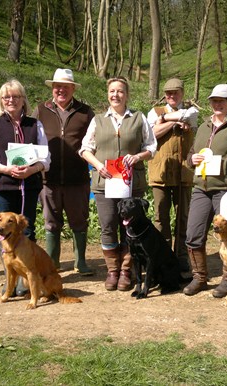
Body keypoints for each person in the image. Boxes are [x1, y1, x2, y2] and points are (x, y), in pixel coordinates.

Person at [79, 76, 157, 291]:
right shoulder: (98, 120)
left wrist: (138, 157)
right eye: (112, 91)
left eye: (120, 91)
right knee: (107, 226)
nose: (116, 95)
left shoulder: (139, 118)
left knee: (131, 227)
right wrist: (98, 165)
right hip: (105, 182)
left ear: (127, 94)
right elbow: (85, 149)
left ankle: (126, 271)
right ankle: (112, 271)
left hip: (132, 183)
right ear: (108, 94)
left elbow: (152, 147)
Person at [0, 79, 50, 296]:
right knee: (4, 230)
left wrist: (32, 170)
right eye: (6, 97)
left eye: (16, 96)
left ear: (23, 100)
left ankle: (26, 278)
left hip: (29, 186)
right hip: (4, 186)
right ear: (1, 101)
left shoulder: (34, 125)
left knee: (27, 230)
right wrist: (5, 169)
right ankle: (10, 277)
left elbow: (46, 157)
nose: (11, 100)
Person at [183, 84, 227, 296]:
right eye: (214, 100)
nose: (217, 104)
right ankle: (199, 277)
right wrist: (191, 159)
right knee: (193, 234)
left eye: (222, 100)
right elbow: (191, 154)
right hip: (201, 187)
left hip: (226, 189)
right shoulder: (203, 126)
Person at [32, 69, 95, 275]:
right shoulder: (41, 110)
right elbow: (31, 137)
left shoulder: (86, 112)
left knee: (79, 220)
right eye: (58, 86)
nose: (61, 90)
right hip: (47, 178)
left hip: (77, 178)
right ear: (52, 88)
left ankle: (81, 262)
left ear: (73, 89)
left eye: (66, 87)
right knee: (51, 222)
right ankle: (53, 262)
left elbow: (95, 141)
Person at [146, 78, 198, 274]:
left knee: (184, 217)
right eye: (168, 93)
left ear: (182, 93)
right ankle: (164, 255)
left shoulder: (192, 110)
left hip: (184, 171)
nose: (171, 96)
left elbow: (190, 117)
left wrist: (166, 119)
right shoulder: (154, 112)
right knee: (161, 217)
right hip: (160, 171)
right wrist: (174, 121)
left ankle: (182, 256)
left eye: (175, 92)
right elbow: (152, 134)